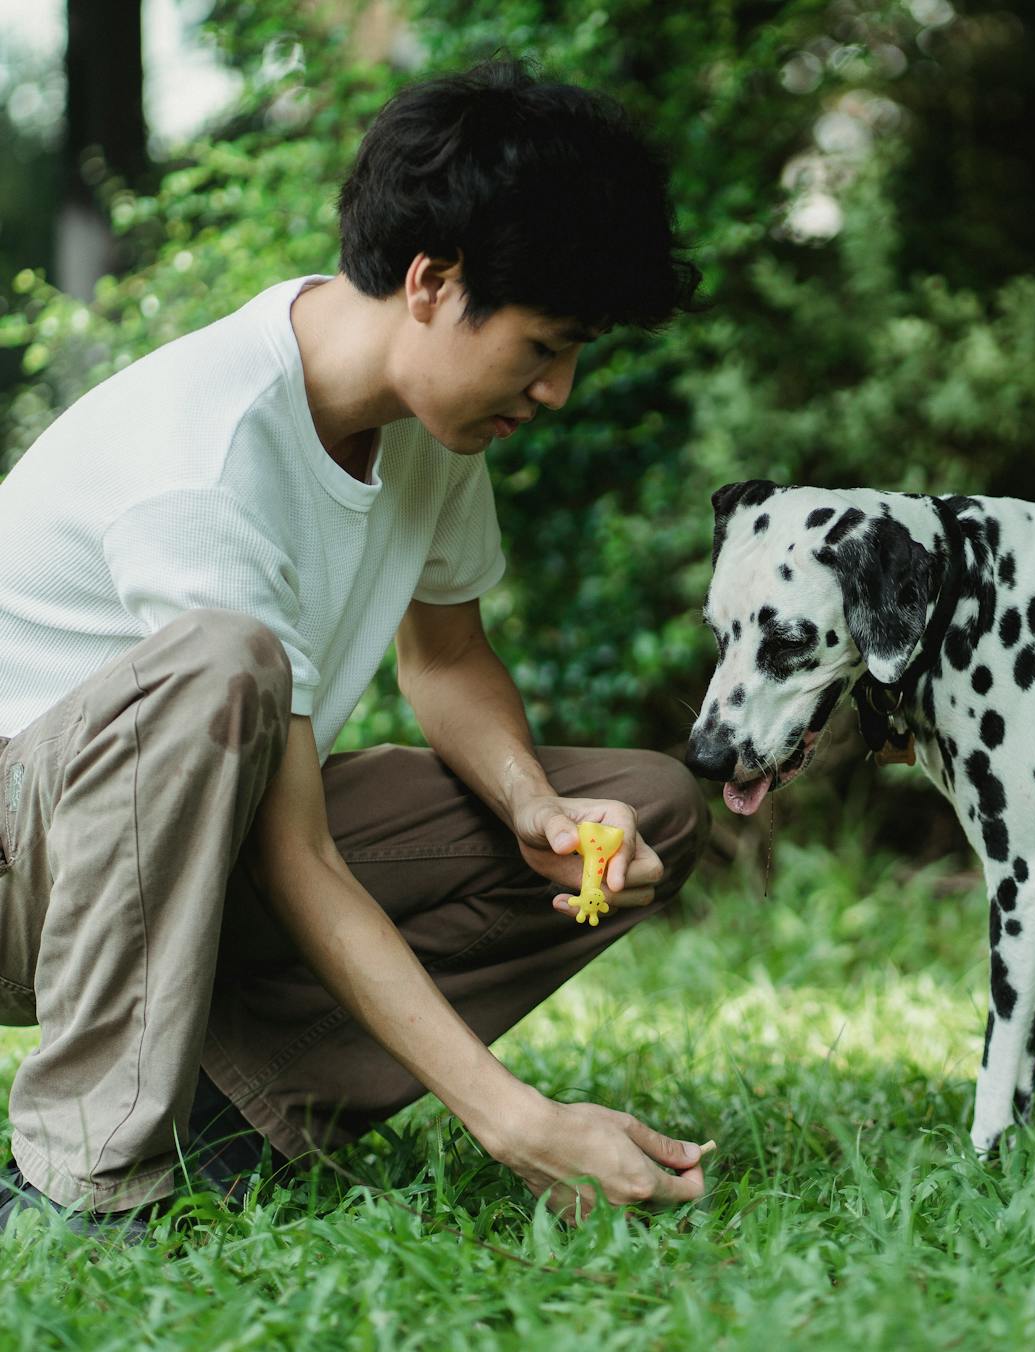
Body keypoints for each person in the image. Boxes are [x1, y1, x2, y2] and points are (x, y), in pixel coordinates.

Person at [0, 58, 713, 1237]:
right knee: (225, 665)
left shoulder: (425, 422)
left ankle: (220, 1122)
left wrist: (536, 803)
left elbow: (447, 660)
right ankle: (80, 1178)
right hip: (31, 874)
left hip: (183, 850)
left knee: (645, 804)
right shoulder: (207, 452)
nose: (559, 390)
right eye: (543, 347)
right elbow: (300, 857)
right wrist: (514, 1116)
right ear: (433, 281)